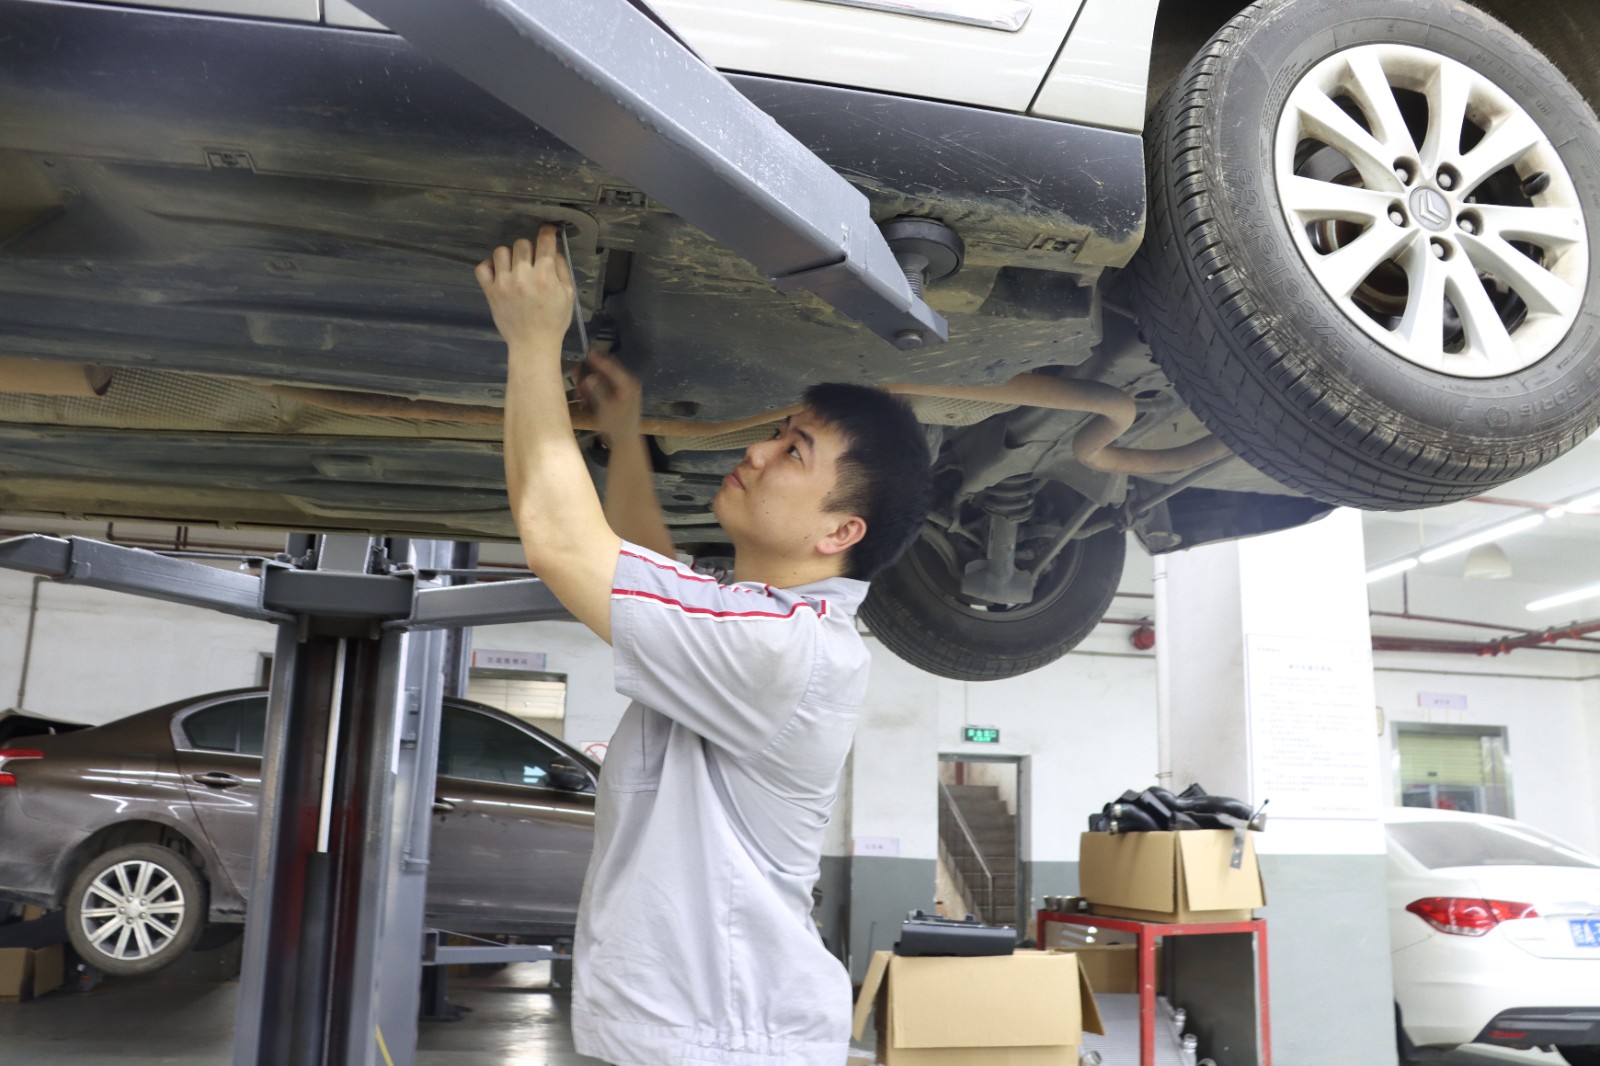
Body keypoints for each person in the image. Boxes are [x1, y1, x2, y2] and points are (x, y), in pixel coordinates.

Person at [476, 225, 931, 1066]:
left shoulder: (780, 651)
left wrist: (533, 343)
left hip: (723, 1038)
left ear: (841, 531)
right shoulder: (769, 627)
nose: (756, 450)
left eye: (793, 451)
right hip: (712, 1030)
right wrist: (623, 433)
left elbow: (564, 545)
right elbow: (643, 560)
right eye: (778, 432)